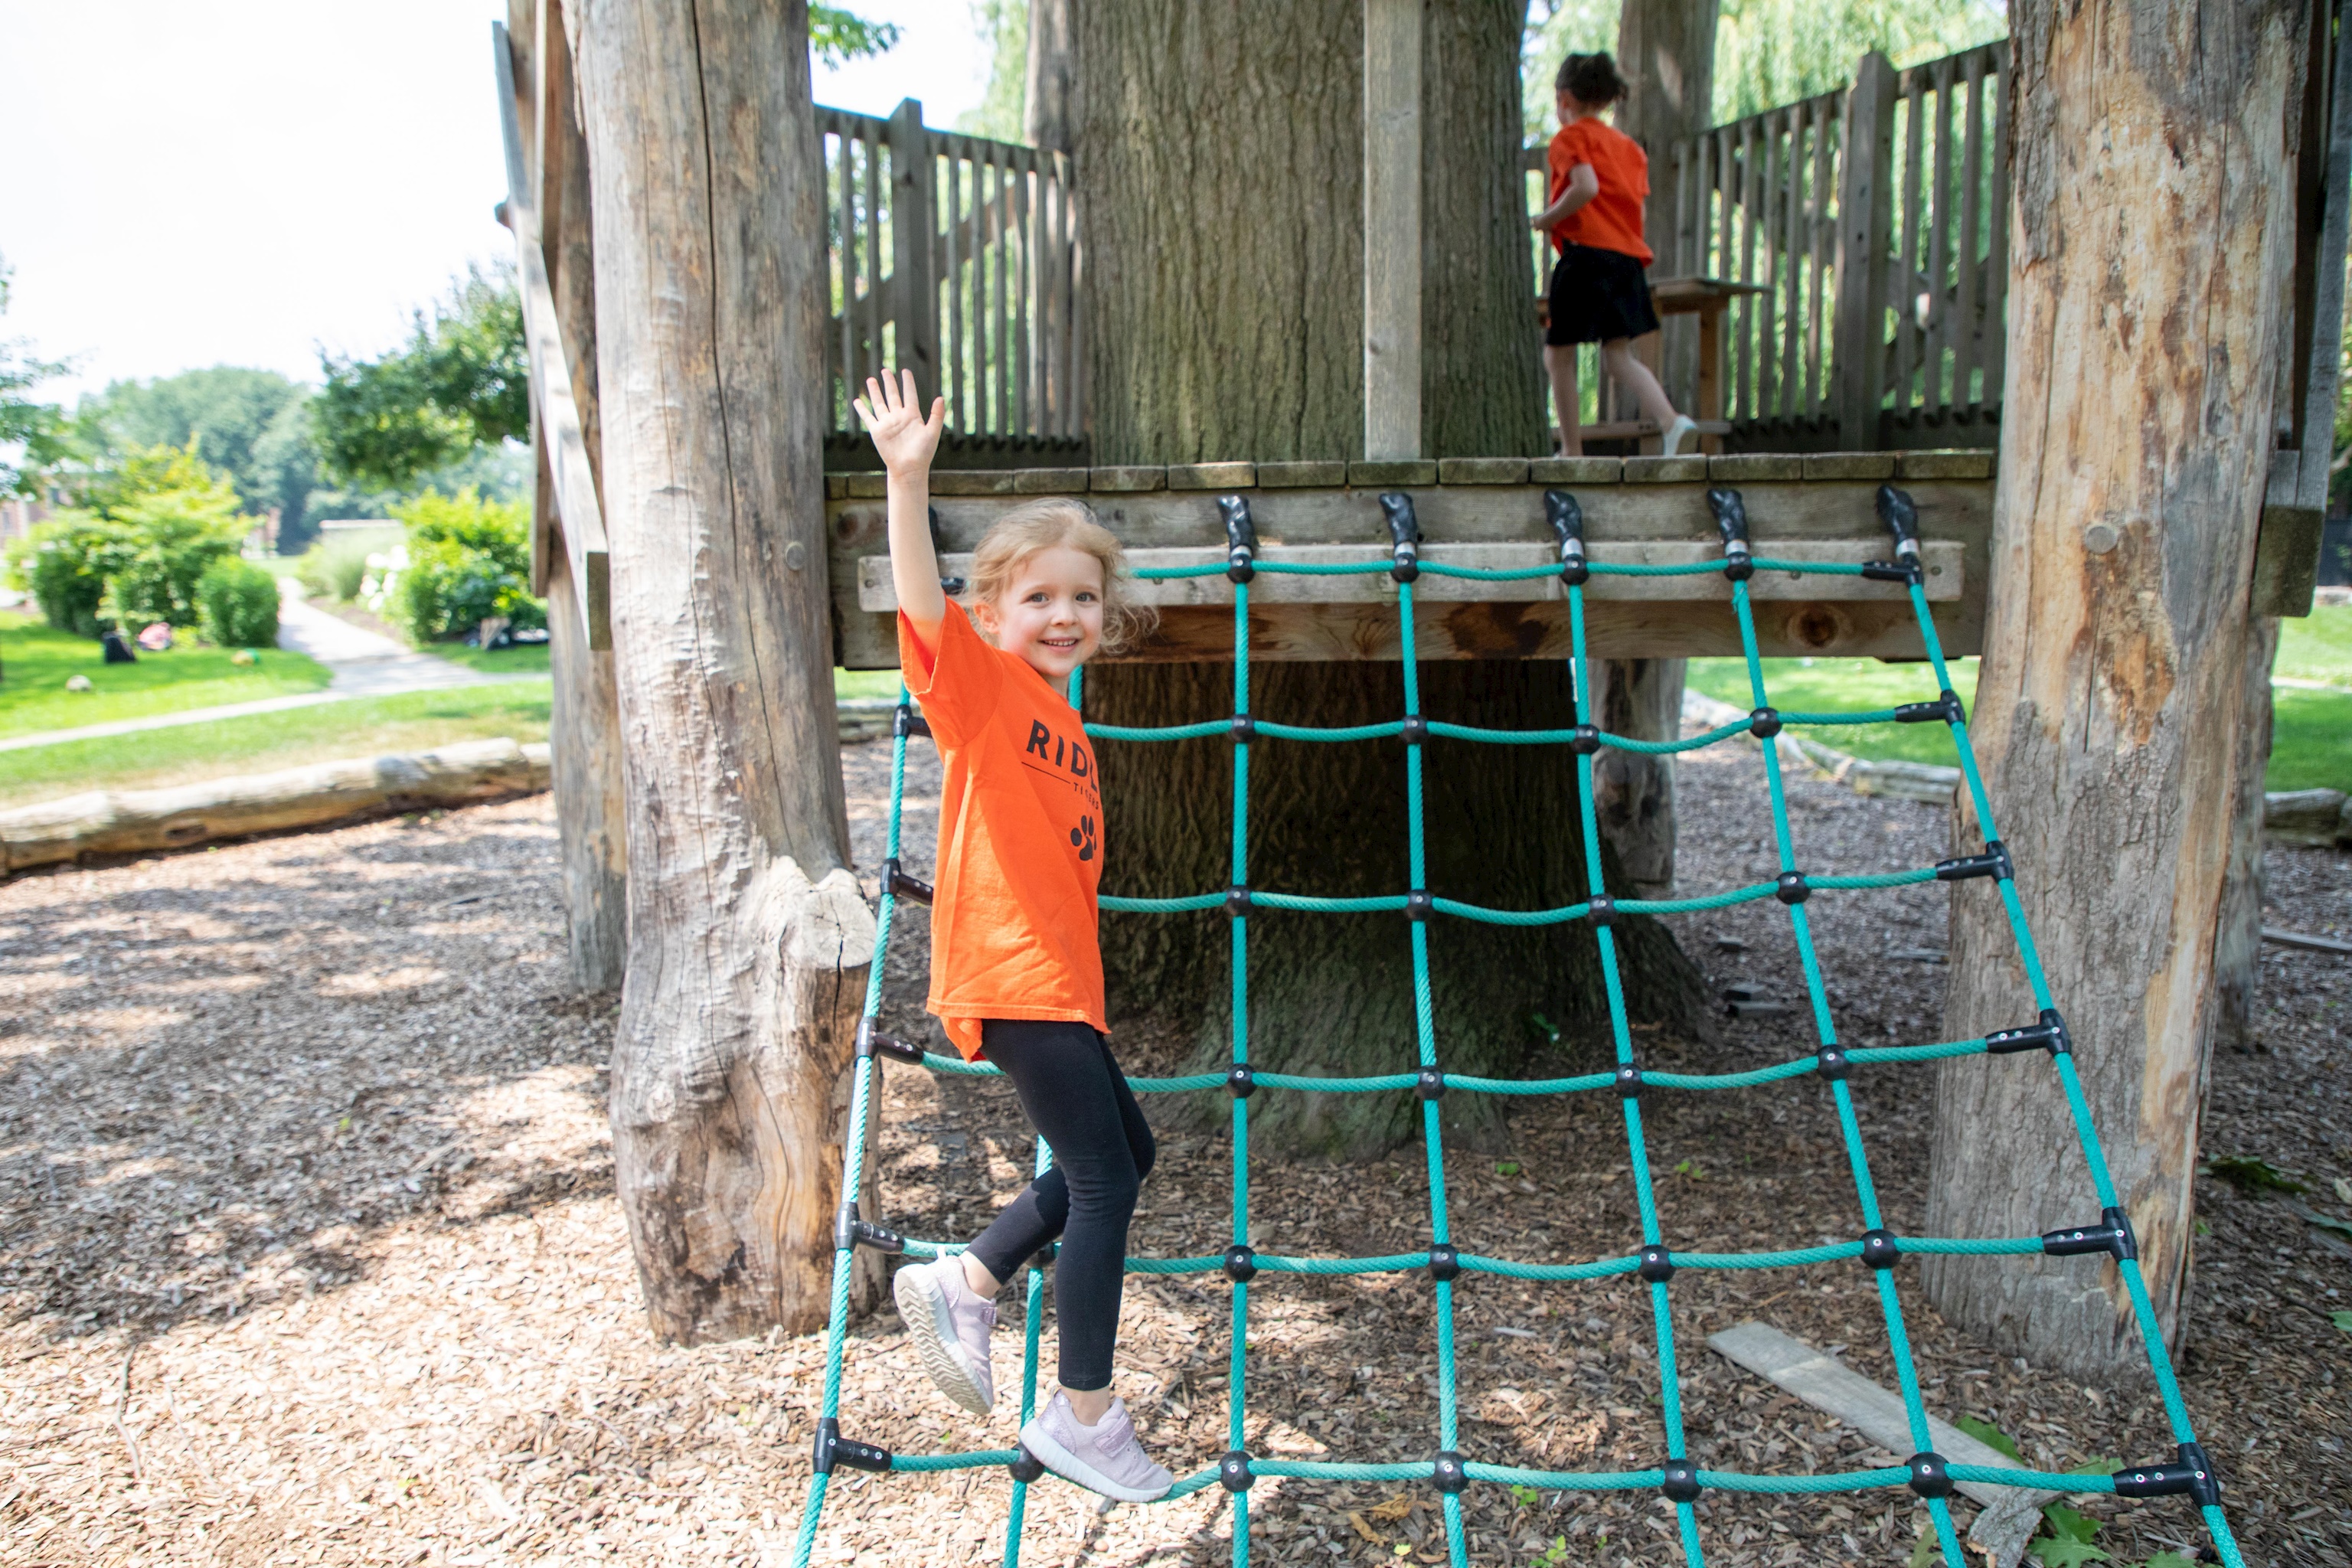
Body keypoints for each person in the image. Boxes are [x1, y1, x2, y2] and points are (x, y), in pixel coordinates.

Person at [851, 368, 1173, 1504]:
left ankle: (969, 1278)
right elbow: (920, 606)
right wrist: (908, 482)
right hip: (1011, 968)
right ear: (994, 615)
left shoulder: (1069, 728)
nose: (1065, 616)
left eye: (1082, 599)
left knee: (1127, 1157)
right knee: (1100, 1179)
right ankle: (1084, 1414)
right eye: (1038, 598)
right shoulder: (982, 691)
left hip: (1060, 985)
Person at [1530, 51, 1697, 459]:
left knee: (1558, 356)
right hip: (1626, 260)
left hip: (1585, 257)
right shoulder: (1629, 149)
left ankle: (1571, 451)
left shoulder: (1568, 139)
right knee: (1619, 357)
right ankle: (1672, 423)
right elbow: (1634, 210)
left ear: (1564, 99)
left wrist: (1546, 219)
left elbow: (1585, 188)